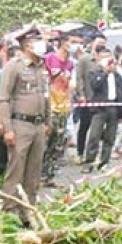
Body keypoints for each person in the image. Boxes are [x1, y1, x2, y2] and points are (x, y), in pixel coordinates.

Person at [0, 29, 50, 228]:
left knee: (34, 172)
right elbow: (4, 99)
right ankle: (9, 212)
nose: (42, 44)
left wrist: (48, 121)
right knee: (16, 170)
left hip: (38, 125)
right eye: (38, 40)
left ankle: (28, 210)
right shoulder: (14, 66)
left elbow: (46, 97)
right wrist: (8, 128)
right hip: (20, 124)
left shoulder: (41, 67)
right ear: (27, 44)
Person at [42, 32, 80, 185]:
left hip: (63, 105)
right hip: (50, 105)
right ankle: (39, 173)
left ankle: (49, 175)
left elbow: (70, 85)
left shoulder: (70, 63)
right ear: (63, 43)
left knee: (58, 143)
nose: (75, 45)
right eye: (73, 42)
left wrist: (70, 102)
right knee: (46, 140)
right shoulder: (49, 59)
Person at [82, 48, 122, 172]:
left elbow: (121, 94)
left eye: (109, 56)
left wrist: (120, 111)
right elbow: (95, 86)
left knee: (110, 137)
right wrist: (105, 72)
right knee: (94, 136)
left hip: (113, 108)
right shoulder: (94, 72)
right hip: (100, 109)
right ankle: (89, 162)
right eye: (104, 57)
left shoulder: (117, 76)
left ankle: (104, 162)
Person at [74, 34, 106, 163]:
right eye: (99, 42)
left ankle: (92, 154)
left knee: (97, 130)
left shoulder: (106, 60)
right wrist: (81, 95)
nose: (101, 45)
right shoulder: (85, 59)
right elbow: (79, 77)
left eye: (103, 43)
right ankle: (80, 153)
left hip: (101, 101)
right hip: (87, 99)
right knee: (84, 127)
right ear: (92, 43)